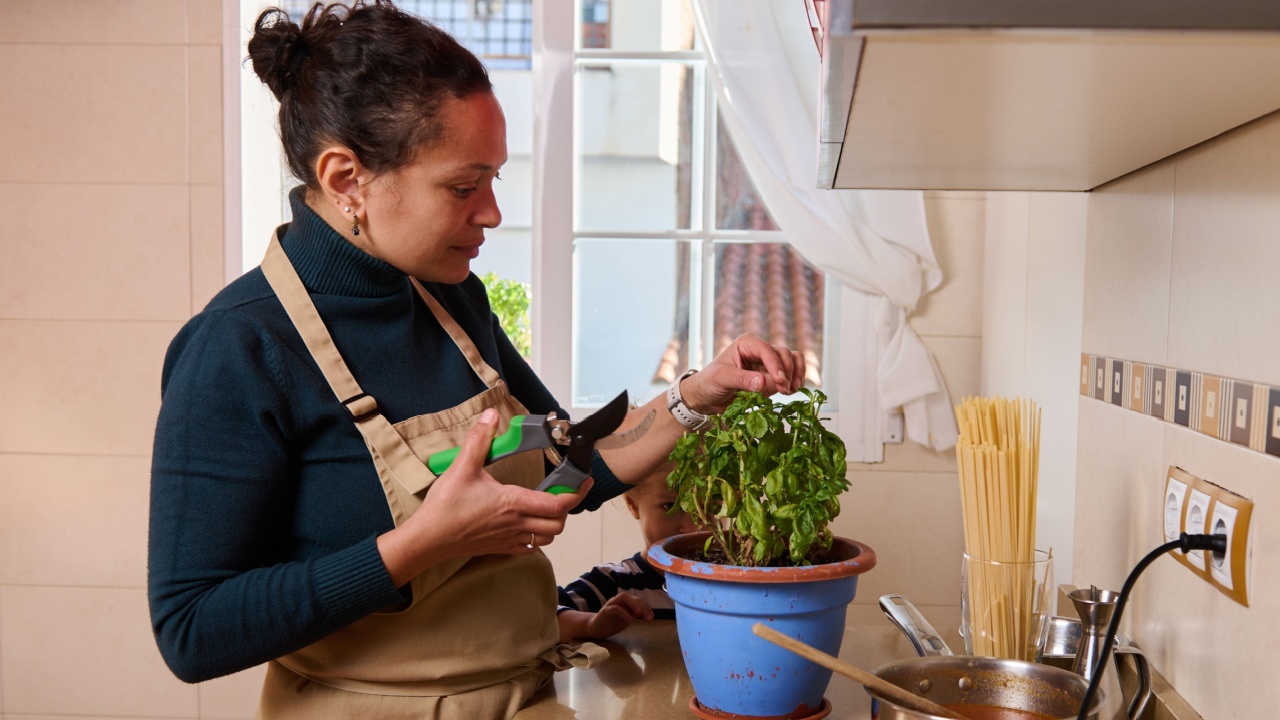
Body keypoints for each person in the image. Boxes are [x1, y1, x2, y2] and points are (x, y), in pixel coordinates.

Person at [146, 2, 806, 718]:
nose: (492, 211)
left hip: (526, 697)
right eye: (464, 186)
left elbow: (572, 463)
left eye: (494, 178)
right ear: (345, 179)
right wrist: (422, 544)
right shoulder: (238, 348)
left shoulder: (451, 301)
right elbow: (192, 631)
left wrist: (695, 396)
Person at [556, 464, 696, 642]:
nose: (691, 528)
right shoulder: (612, 583)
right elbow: (540, 619)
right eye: (669, 506)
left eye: (711, 507)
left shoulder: (734, 581)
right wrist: (590, 624)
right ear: (633, 505)